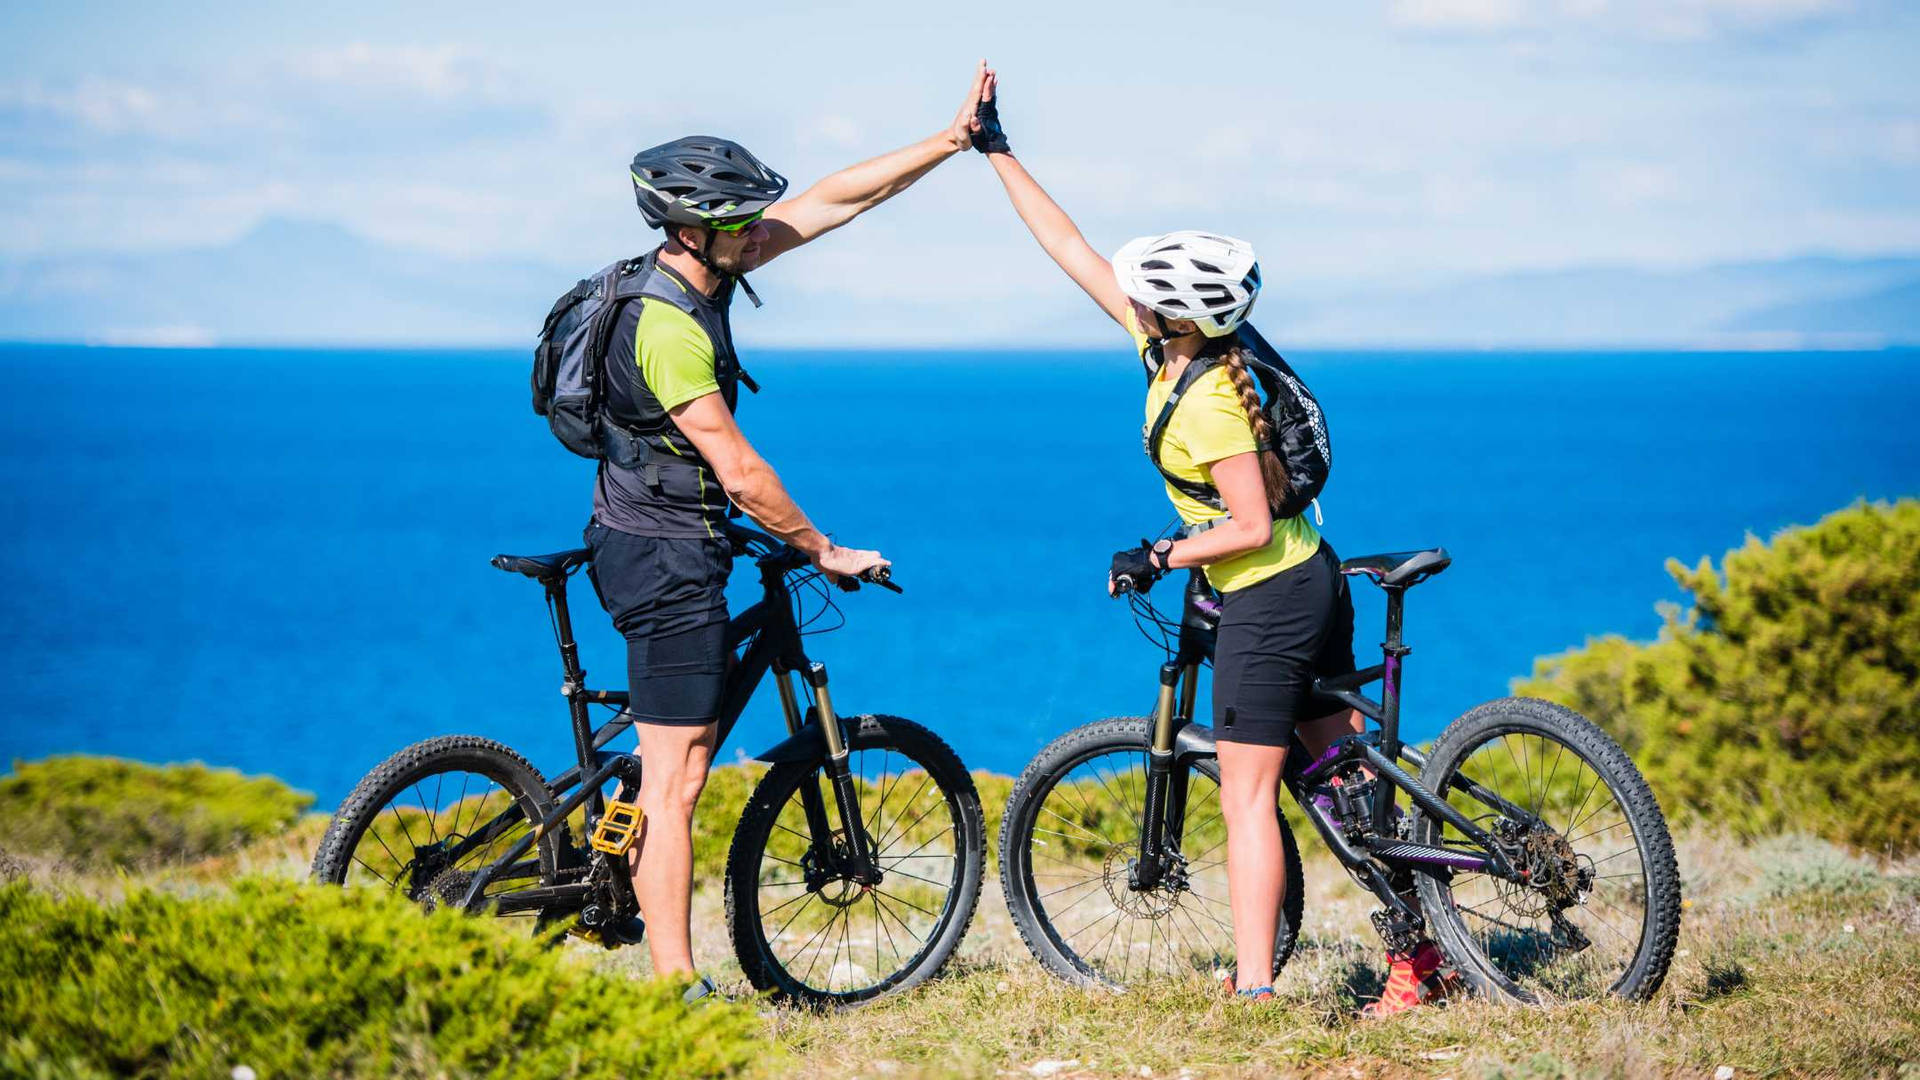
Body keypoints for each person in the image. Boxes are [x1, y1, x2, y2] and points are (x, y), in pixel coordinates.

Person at [969, 68, 1454, 1016]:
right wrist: (998, 153)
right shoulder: (1194, 351)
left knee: (1247, 796)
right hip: (1309, 578)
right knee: (1344, 783)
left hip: (1270, 595)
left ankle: (1256, 987)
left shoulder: (1214, 408)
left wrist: (1156, 556)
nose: (1129, 301)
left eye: (1143, 296)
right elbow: (1072, 250)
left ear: (1172, 314)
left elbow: (1247, 524)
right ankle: (1418, 959)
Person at [587, 64, 994, 1001]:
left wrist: (946, 141)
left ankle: (632, 899)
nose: (752, 235)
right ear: (690, 227)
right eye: (735, 224)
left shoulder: (696, 270)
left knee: (665, 760)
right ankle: (675, 987)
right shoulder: (669, 325)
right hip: (664, 555)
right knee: (675, 780)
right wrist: (824, 548)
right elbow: (737, 468)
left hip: (655, 533)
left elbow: (825, 203)